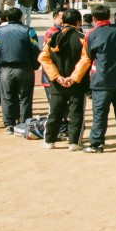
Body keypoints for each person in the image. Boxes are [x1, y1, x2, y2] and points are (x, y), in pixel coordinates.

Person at [79, 5, 116, 152]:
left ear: (94, 18)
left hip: (101, 79)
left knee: (100, 112)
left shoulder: (92, 33)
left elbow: (88, 55)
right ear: (109, 16)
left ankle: (97, 143)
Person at [38, 9, 90, 150]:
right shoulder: (82, 37)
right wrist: (74, 77)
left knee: (55, 112)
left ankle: (49, 141)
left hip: (57, 83)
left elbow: (43, 57)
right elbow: (86, 59)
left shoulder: (53, 37)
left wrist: (56, 76)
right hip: (77, 83)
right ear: (79, 22)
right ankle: (74, 142)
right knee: (76, 113)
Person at [0, 7, 39, 134]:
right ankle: (25, 122)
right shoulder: (29, 30)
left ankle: (9, 124)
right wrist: (34, 65)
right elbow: (35, 49)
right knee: (26, 97)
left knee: (7, 96)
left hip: (5, 68)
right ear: (20, 17)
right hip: (25, 68)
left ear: (6, 18)